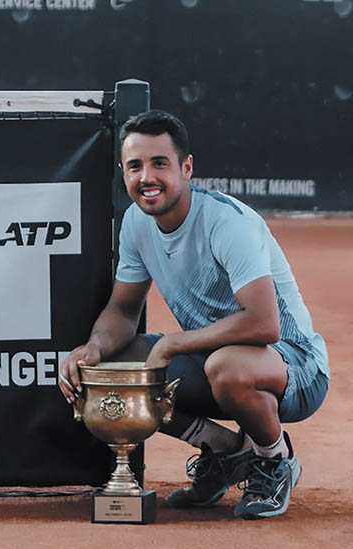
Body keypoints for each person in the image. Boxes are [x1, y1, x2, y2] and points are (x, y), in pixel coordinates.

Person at [58, 109, 329, 520]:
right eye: (135, 166)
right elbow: (122, 308)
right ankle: (223, 451)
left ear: (186, 167)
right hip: (216, 360)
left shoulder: (226, 223)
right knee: (117, 365)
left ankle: (274, 459)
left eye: (159, 164)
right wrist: (94, 348)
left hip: (295, 366)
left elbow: (264, 323)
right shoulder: (136, 223)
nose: (146, 177)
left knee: (226, 366)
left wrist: (174, 343)